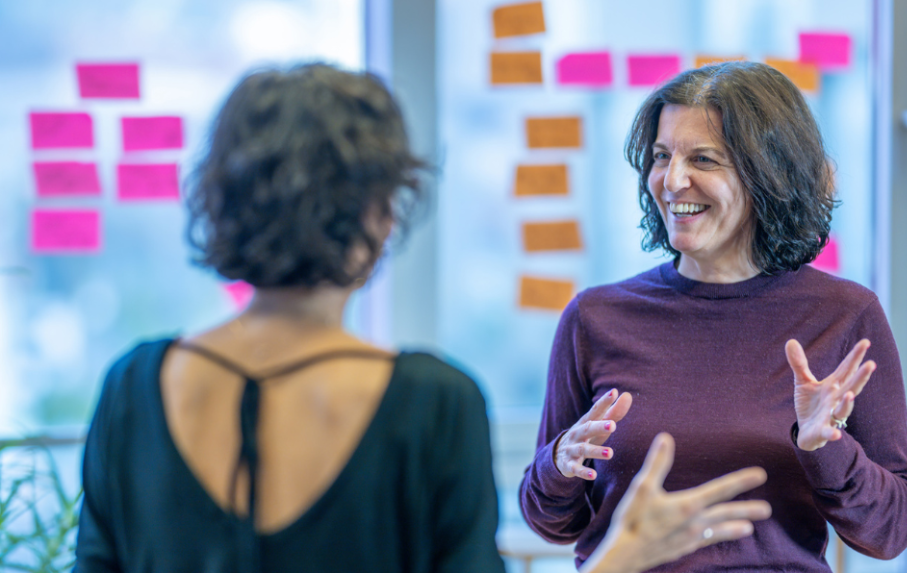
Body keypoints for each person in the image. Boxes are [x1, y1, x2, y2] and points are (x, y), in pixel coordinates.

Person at [73, 63, 771, 573]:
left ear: (219, 201)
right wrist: (624, 555)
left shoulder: (133, 386)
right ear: (381, 215)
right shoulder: (429, 405)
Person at [520, 61, 907, 572]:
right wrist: (559, 463)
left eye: (704, 159)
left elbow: (892, 532)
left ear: (768, 175)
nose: (672, 180)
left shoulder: (845, 316)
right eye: (662, 156)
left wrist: (826, 446)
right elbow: (550, 522)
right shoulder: (595, 318)